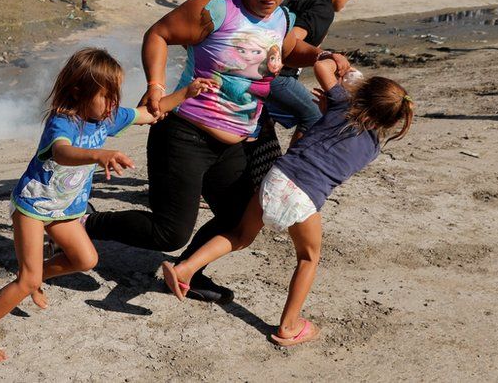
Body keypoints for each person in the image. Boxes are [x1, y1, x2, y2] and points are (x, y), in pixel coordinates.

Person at [84, 0, 351, 304]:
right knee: (168, 232)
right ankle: (85, 224)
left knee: (241, 219)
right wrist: (156, 86)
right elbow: (159, 34)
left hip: (236, 142)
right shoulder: (216, 9)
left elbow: (288, 50)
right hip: (184, 134)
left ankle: (189, 272)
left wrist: (323, 53)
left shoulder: (281, 17)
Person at [0, 47, 217, 363]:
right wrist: (99, 155)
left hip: (65, 209)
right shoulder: (63, 122)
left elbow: (150, 113)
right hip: (33, 206)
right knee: (27, 279)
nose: (113, 105)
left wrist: (187, 92)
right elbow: (61, 153)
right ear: (78, 92)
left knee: (85, 259)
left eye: (116, 97)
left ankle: (35, 277)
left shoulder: (106, 118)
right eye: (106, 96)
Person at [162, 63, 413, 347]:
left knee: (240, 236)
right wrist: (335, 103)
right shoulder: (372, 148)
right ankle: (289, 325)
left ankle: (185, 269)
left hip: (277, 177)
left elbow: (321, 67)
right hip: (305, 197)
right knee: (308, 258)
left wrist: (340, 67)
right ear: (391, 122)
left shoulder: (340, 104)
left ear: (362, 93)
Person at [266, 0, 357, 138]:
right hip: (275, 74)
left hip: (253, 64)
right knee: (315, 116)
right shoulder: (323, 8)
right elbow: (291, 39)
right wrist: (324, 56)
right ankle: (294, 166)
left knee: (265, 126)